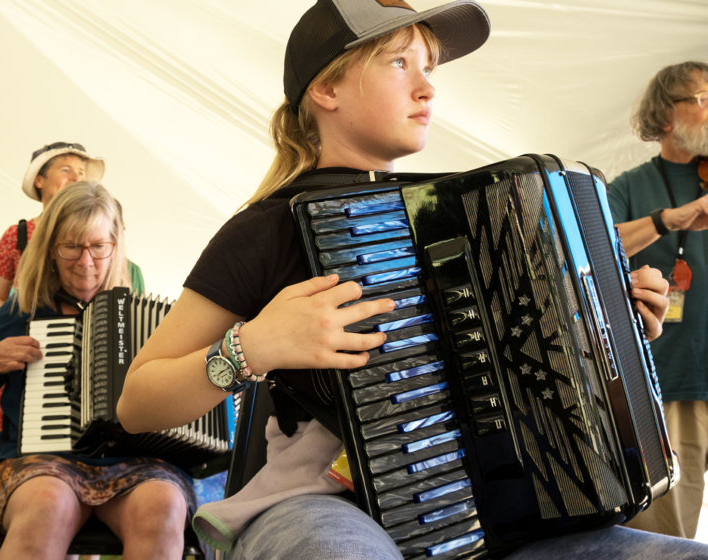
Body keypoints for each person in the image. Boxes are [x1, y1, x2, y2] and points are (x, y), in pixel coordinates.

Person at [116, 2, 706, 559]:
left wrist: (609, 323)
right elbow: (138, 403)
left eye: (428, 67)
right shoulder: (266, 229)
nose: (426, 87)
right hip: (322, 503)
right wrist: (254, 347)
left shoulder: (484, 211)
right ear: (326, 89)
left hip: (506, 506)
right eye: (399, 63)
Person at [0, 181, 192, 560]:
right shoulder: (22, 310)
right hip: (39, 462)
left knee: (164, 506)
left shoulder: (144, 319)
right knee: (49, 502)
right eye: (71, 246)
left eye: (98, 246)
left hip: (131, 463)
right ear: (50, 249)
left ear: (115, 247)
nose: (85, 261)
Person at [607, 60, 708, 539]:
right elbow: (597, 250)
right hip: (677, 374)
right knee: (668, 531)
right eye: (703, 99)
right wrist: (671, 218)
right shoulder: (629, 186)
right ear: (667, 115)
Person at [0, 143, 145, 319]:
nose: (76, 177)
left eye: (81, 172)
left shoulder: (103, 228)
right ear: (39, 180)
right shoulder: (16, 235)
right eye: (66, 170)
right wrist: (24, 323)